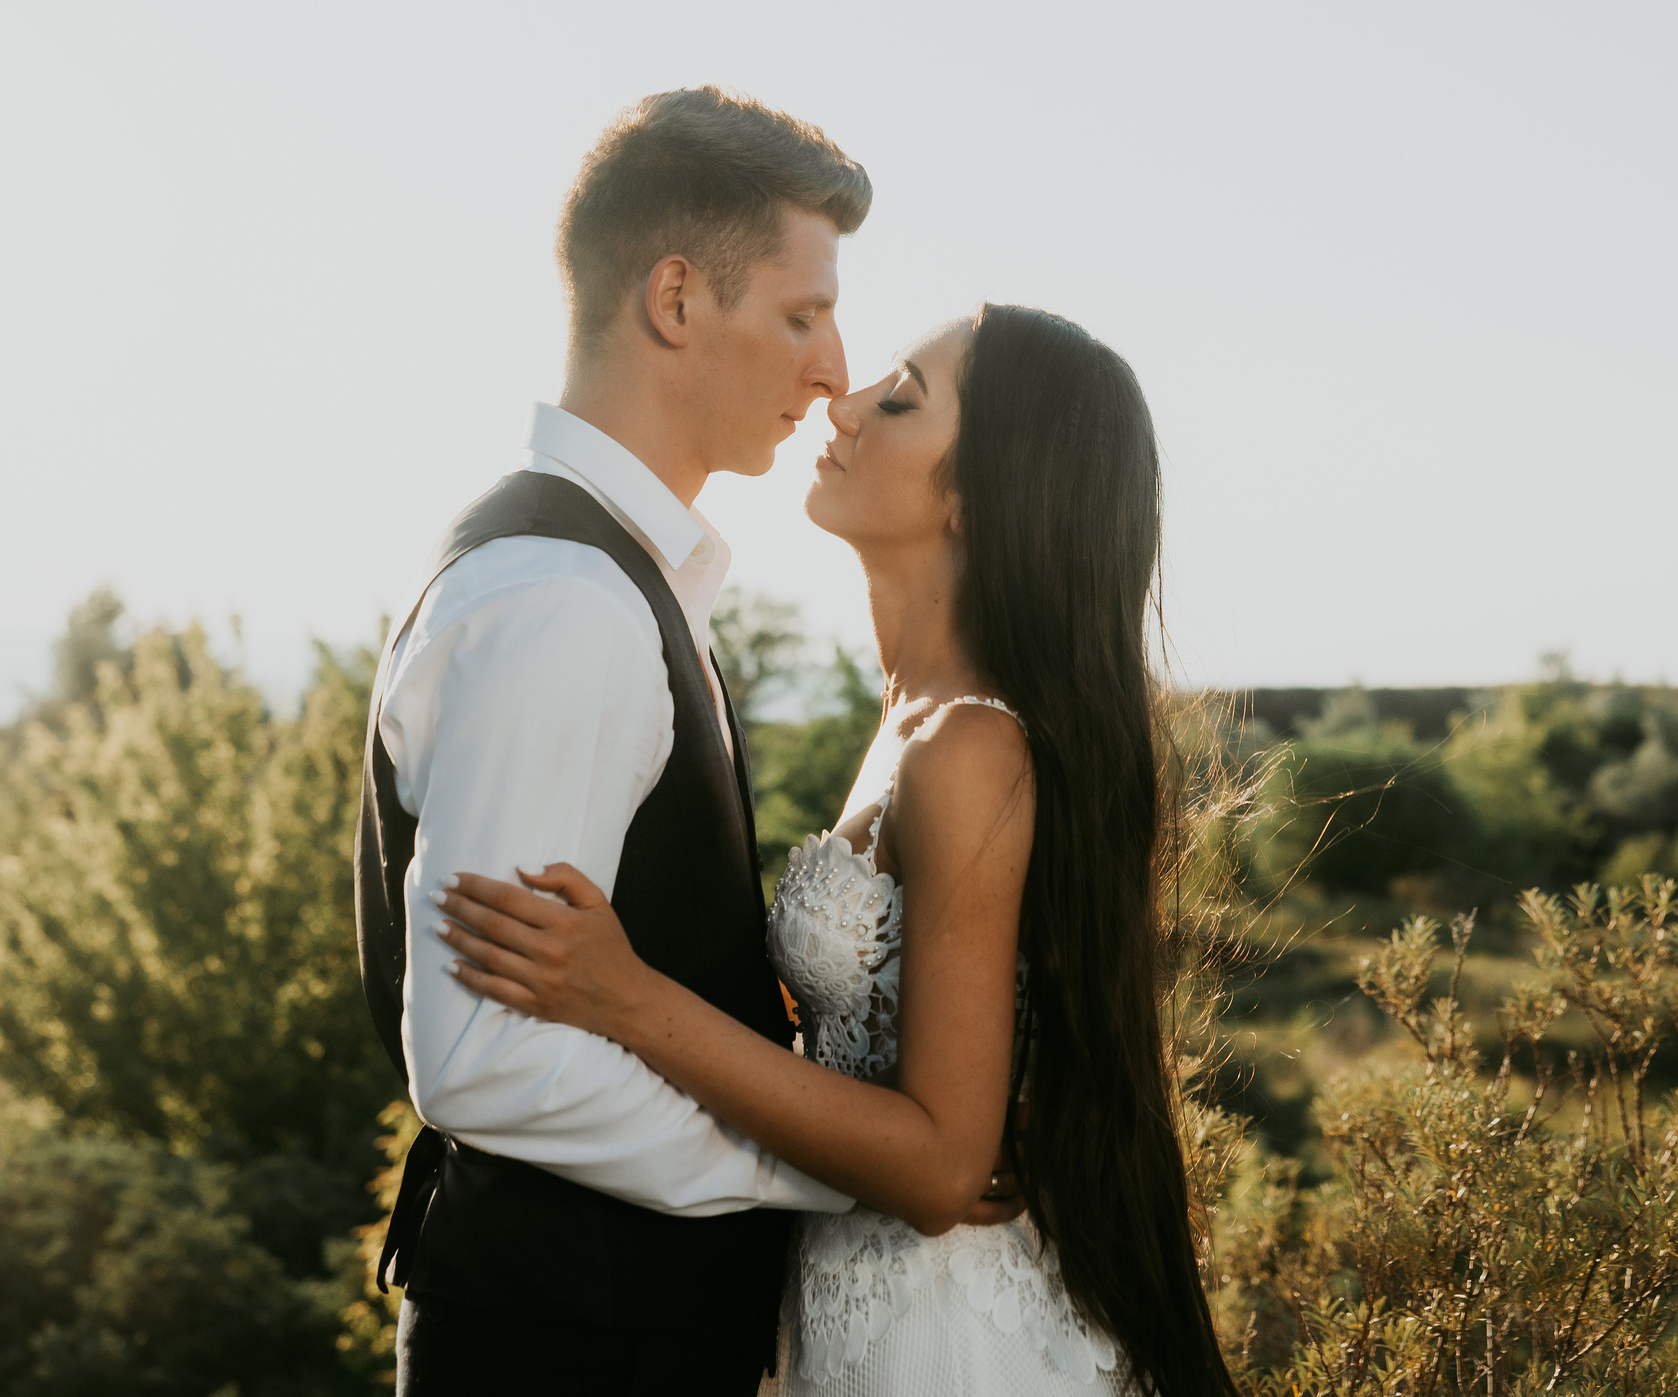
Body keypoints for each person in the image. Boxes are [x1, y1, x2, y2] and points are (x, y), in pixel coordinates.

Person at [356, 86, 1032, 1397]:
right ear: (676, 301)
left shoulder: (608, 582)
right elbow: (487, 1063)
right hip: (570, 1349)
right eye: (800, 315)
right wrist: (838, 1171)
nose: (833, 370)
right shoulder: (566, 603)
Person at [438, 303, 1239, 1396]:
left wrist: (621, 994)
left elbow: (943, 1163)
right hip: (849, 1301)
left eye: (899, 398)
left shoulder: (968, 745)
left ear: (974, 498)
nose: (843, 398)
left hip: (947, 1334)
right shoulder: (914, 719)